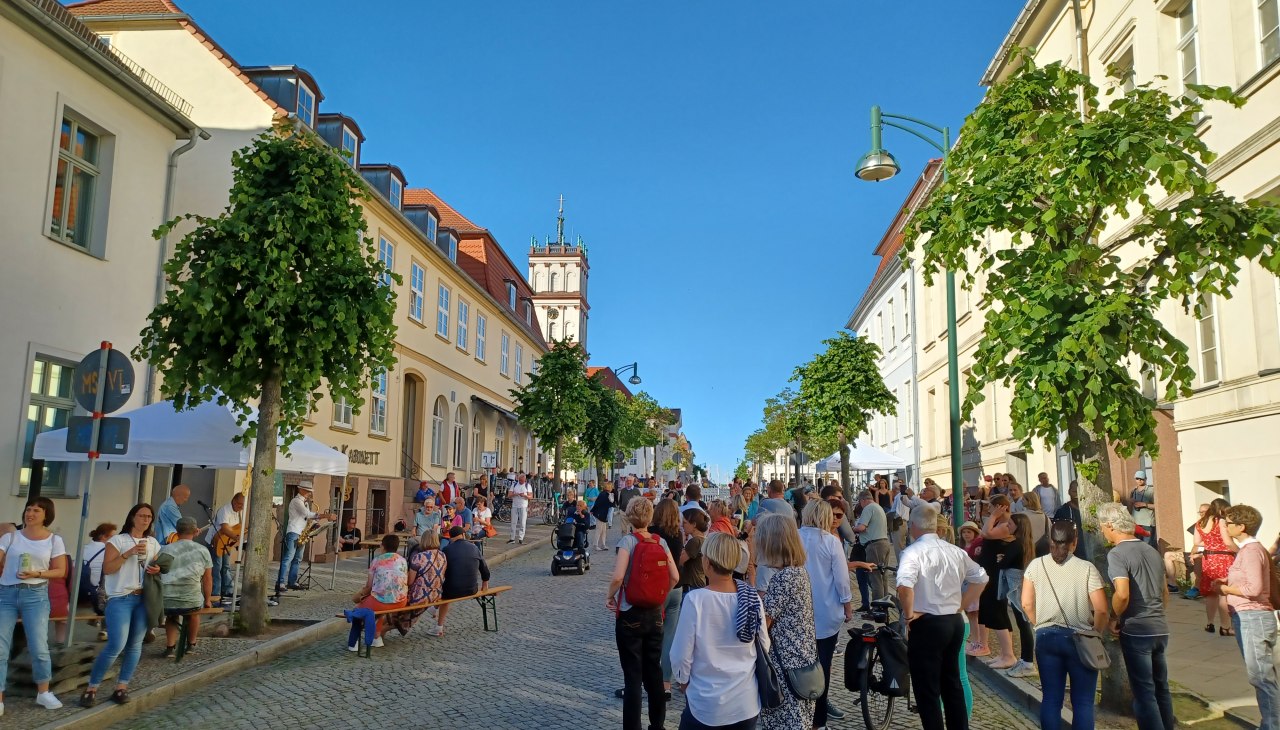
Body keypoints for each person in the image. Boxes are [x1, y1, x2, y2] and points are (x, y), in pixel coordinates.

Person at [897, 503, 988, 730]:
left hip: (928, 622)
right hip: (953, 621)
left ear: (914, 526)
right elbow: (981, 577)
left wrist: (908, 616)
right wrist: (962, 605)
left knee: (927, 689)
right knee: (952, 682)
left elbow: (905, 586)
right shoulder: (954, 550)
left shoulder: (912, 552)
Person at [668, 531, 764, 730]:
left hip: (706, 703)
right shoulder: (752, 597)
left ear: (707, 563)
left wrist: (683, 681)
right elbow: (764, 644)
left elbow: (680, 653)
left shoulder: (696, 600)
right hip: (745, 701)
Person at [1021, 520, 1108, 730]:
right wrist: (1096, 632)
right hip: (1080, 638)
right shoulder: (1087, 568)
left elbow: (1026, 603)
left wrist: (1038, 624)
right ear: (1074, 543)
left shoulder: (1035, 565)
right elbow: (1102, 609)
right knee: (1083, 702)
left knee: (1051, 698)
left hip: (1046, 636)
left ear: (1051, 541)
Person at [1096, 502, 1174, 730]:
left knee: (1144, 693)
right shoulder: (1151, 550)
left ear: (1111, 525)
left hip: (1137, 628)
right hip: (1160, 625)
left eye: (1102, 526)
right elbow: (1164, 592)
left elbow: (1122, 594)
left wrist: (1113, 617)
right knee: (1162, 688)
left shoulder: (1118, 554)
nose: (1102, 531)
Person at [607, 497, 679, 730]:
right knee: (654, 671)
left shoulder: (628, 542)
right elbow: (675, 577)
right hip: (655, 615)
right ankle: (657, 725)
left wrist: (610, 596)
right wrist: (660, 596)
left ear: (629, 517)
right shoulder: (660, 542)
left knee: (633, 677)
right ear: (650, 517)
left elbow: (618, 576)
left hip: (630, 614)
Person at [84, 502, 162, 707]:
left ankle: (122, 687)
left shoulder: (153, 542)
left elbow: (156, 567)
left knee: (135, 645)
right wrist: (128, 553)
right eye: (142, 516)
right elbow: (108, 569)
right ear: (132, 517)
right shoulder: (117, 541)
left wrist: (158, 569)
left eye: (149, 517)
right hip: (121, 597)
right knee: (116, 644)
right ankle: (92, 687)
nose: (145, 520)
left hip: (144, 597)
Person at [0, 497, 68, 713]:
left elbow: (60, 571)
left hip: (36, 594)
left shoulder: (54, 540)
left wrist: (37, 573)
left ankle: (43, 692)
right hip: (7, 593)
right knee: (0, 647)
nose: (30, 513)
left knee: (39, 646)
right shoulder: (10, 537)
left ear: (46, 514)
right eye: (28, 509)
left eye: (36, 510)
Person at [1215, 504, 1279, 729]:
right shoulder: (1251, 549)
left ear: (1241, 526)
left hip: (1253, 617)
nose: (1225, 526)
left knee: (1261, 677)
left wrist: (1226, 590)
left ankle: (1271, 725)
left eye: (1229, 523)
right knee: (1264, 676)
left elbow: (1253, 589)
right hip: (1254, 617)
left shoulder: (1251, 551)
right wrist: (1229, 582)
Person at [756, 513, 817, 730]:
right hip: (801, 661)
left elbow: (764, 624)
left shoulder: (784, 578)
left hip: (786, 667)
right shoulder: (798, 572)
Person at [799, 499, 854, 728]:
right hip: (826, 612)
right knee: (823, 667)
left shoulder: (794, 537)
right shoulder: (831, 542)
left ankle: (799, 715)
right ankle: (818, 721)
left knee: (798, 665)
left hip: (799, 612)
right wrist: (847, 606)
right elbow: (841, 579)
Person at [156, 517, 213, 658]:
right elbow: (207, 578)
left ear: (177, 531)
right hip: (191, 599)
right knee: (194, 614)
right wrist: (207, 600)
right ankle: (191, 645)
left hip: (168, 598)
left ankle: (170, 647)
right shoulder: (203, 550)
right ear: (195, 531)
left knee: (172, 616)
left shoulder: (166, 549)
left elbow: (159, 571)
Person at [974, 494, 1015, 667]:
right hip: (989, 570)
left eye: (991, 507)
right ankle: (1004, 653)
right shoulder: (999, 522)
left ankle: (1008, 655)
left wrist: (992, 516)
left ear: (1001, 507)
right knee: (993, 610)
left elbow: (986, 533)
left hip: (996, 573)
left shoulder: (1007, 525)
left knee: (997, 611)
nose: (988, 511)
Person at [349, 534, 408, 649]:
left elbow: (369, 586)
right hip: (400, 600)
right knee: (379, 604)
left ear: (382, 546)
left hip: (381, 602)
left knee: (357, 610)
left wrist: (360, 595)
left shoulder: (377, 561)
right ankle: (376, 637)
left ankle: (354, 642)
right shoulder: (402, 561)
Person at [434, 526, 490, 637]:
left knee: (445, 596)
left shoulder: (447, 550)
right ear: (463, 535)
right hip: (472, 589)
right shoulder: (474, 548)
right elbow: (484, 568)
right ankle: (434, 610)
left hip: (451, 591)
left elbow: (440, 572)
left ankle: (439, 628)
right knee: (447, 592)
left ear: (451, 538)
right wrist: (485, 582)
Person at [388, 530, 446, 637]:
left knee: (395, 603)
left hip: (420, 596)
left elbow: (410, 581)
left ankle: (380, 629)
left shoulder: (419, 557)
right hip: (436, 594)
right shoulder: (443, 555)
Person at [1194, 498, 1237, 635]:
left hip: (1209, 558)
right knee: (1223, 593)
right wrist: (1240, 551)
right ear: (1221, 509)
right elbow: (1228, 542)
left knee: (1211, 594)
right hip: (1223, 557)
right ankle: (1225, 627)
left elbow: (1197, 542)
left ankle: (1210, 623)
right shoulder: (1221, 521)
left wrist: (1210, 543)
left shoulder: (1200, 523)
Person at [276, 482, 329, 592]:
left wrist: (315, 523)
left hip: (302, 533)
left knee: (297, 559)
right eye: (307, 491)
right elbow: (307, 514)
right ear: (301, 490)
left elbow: (308, 518)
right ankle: (280, 582)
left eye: (310, 491)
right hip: (294, 532)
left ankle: (292, 582)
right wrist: (325, 516)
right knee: (288, 558)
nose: (309, 493)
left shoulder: (305, 503)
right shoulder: (296, 501)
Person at [1002, 513, 1036, 679]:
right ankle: (1024, 659)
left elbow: (1003, 562)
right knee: (1023, 625)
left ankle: (1028, 662)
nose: (1007, 525)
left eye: (1010, 523)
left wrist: (1001, 558)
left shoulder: (1016, 544)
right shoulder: (1025, 543)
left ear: (1018, 526)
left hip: (1016, 586)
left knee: (1023, 625)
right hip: (1021, 584)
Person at [852, 489, 893, 604]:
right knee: (883, 577)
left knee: (875, 578)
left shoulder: (868, 508)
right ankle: (885, 606)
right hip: (884, 543)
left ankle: (878, 608)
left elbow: (861, 528)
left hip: (874, 545)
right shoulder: (878, 507)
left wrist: (853, 529)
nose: (860, 504)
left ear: (863, 500)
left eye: (860, 501)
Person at [82, 522, 117, 639]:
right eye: (113, 537)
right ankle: (105, 629)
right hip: (98, 591)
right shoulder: (107, 549)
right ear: (103, 537)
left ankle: (97, 617)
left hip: (82, 588)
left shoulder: (85, 548)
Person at [210, 493, 244, 606]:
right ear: (233, 501)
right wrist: (235, 537)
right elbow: (224, 528)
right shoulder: (225, 510)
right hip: (216, 542)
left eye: (243, 505)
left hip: (226, 543)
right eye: (239, 504)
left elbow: (237, 527)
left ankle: (228, 591)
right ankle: (216, 593)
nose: (241, 507)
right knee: (217, 567)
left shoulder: (238, 512)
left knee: (226, 566)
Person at [1053, 483, 1087, 559]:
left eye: (1079, 492)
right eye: (1074, 491)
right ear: (1069, 492)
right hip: (1070, 556)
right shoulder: (1062, 511)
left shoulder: (1090, 511)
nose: (1077, 495)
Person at [678, 509, 708, 593]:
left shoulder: (695, 541)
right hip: (700, 583)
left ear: (694, 524)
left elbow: (679, 561)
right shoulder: (704, 539)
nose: (682, 526)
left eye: (685, 523)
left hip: (692, 586)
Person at [1128, 470, 1157, 548]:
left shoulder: (1151, 490)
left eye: (1142, 478)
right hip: (1136, 523)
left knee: (1147, 546)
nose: (1139, 480)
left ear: (1145, 479)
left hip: (1147, 523)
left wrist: (1144, 504)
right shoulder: (1133, 491)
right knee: (1136, 546)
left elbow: (1158, 506)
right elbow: (1130, 505)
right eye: (1137, 478)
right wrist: (1131, 501)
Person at [507, 472, 532, 545]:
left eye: (522, 481)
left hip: (523, 506)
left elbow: (531, 496)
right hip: (515, 505)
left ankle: (521, 538)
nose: (521, 482)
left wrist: (525, 495)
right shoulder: (514, 484)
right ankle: (512, 538)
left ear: (525, 480)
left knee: (522, 523)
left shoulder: (528, 486)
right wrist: (515, 494)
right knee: (513, 523)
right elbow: (509, 495)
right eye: (520, 480)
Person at [591, 482, 616, 550]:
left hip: (603, 514)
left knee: (603, 530)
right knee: (599, 530)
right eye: (611, 487)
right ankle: (595, 545)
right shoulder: (604, 494)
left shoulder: (606, 494)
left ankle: (603, 544)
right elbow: (598, 503)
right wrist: (593, 510)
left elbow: (611, 504)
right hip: (600, 514)